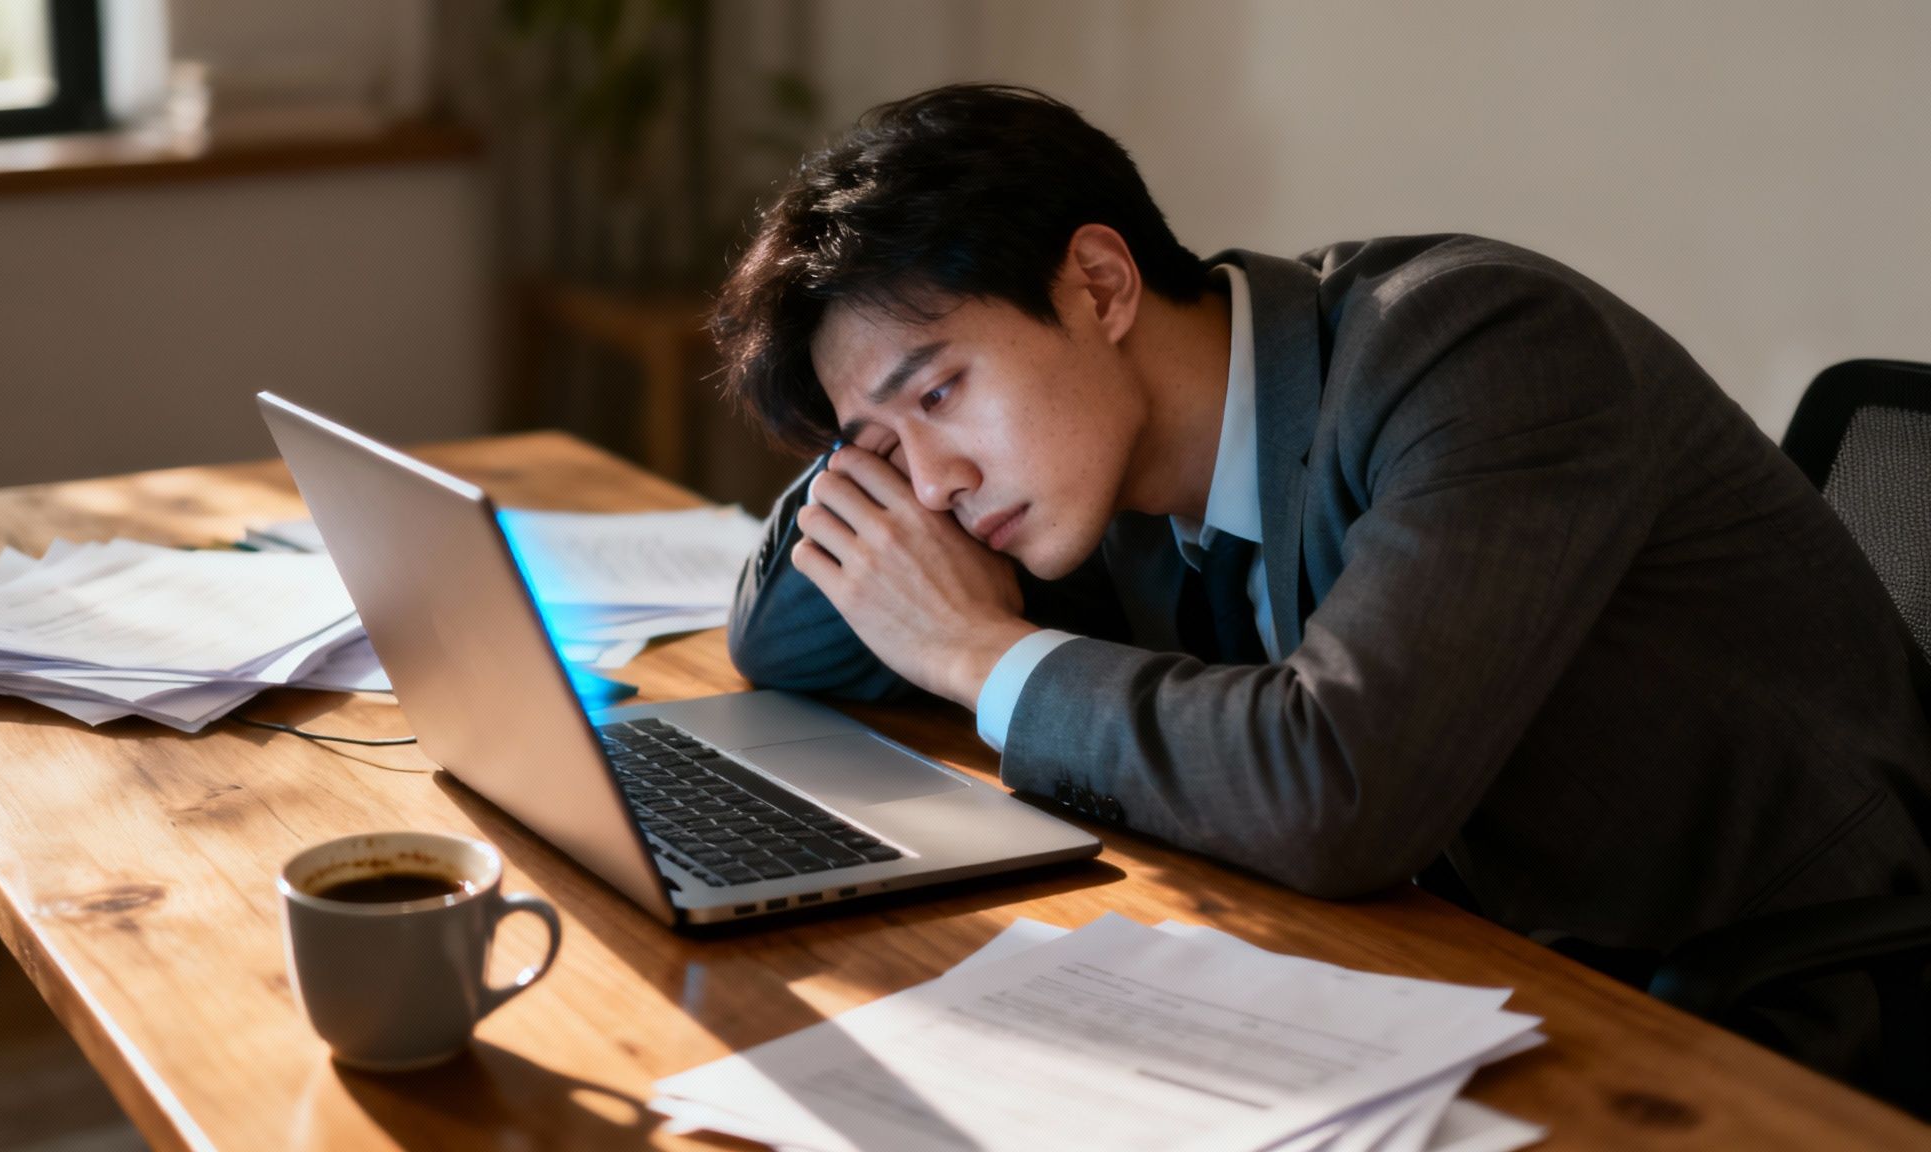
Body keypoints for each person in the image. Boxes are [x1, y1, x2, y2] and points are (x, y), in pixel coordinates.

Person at [709, 84, 1931, 1073]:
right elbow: (789, 645)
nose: (926, 486)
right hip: (1445, 965)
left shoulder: (1479, 350)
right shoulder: (1088, 463)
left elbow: (1334, 786)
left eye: (938, 391)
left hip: (1769, 1013)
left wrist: (973, 653)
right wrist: (863, 410)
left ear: (1098, 284)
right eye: (879, 447)